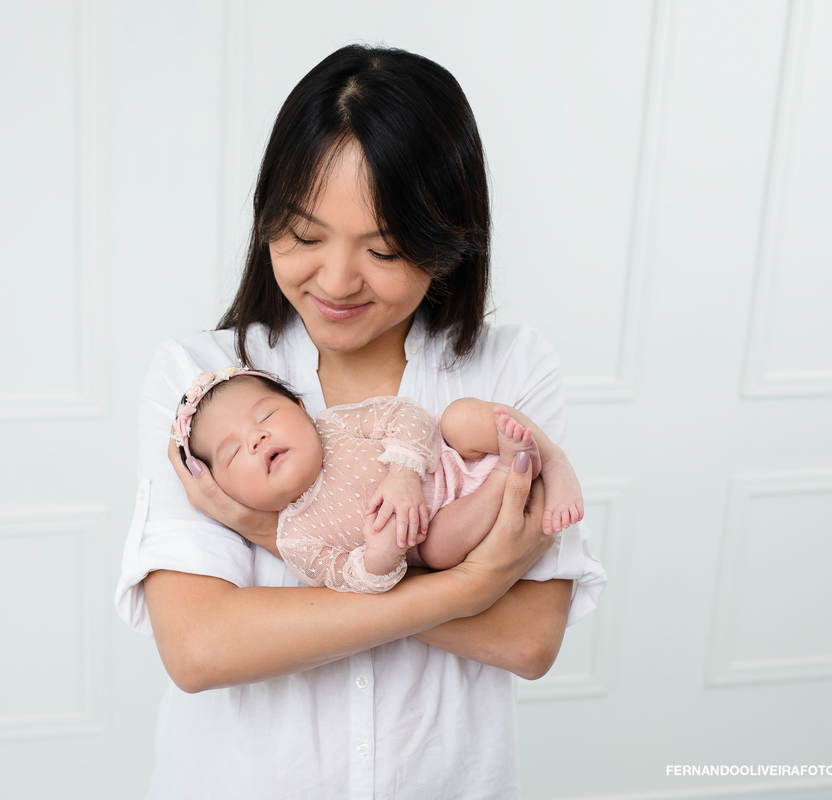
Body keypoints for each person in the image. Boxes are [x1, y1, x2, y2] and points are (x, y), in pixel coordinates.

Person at [115, 44, 606, 799]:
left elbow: (528, 638)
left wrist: (271, 540)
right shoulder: (200, 387)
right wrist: (466, 587)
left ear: (447, 241)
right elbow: (201, 648)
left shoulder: (510, 373)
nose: (337, 281)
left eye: (382, 249)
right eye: (305, 237)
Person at [173, 367, 587, 592]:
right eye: (233, 453)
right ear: (225, 493)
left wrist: (405, 473)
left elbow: (406, 414)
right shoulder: (294, 539)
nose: (256, 438)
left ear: (300, 407)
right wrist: (379, 559)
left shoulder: (334, 426)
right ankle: (506, 474)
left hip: (448, 455)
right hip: (445, 525)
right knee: (438, 552)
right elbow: (343, 577)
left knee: (462, 416)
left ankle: (551, 462)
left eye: (265, 416)